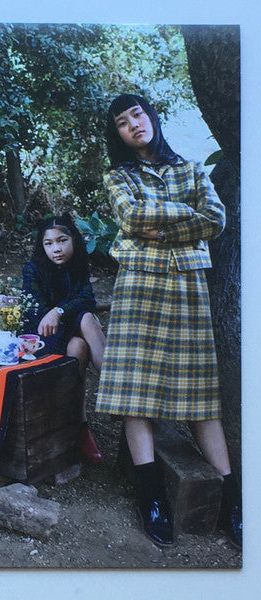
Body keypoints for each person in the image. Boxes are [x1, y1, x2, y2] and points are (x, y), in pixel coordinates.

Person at [96, 93, 242, 549]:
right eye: (122, 122)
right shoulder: (118, 176)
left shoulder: (193, 169)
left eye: (137, 114)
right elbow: (130, 215)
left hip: (187, 283)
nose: (133, 125)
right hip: (138, 283)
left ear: (151, 117)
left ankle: (233, 502)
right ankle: (151, 497)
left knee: (201, 394)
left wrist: (159, 227)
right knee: (135, 392)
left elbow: (215, 220)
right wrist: (183, 214)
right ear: (118, 135)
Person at [22, 214, 107, 465]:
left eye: (62, 240)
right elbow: (38, 317)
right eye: (48, 243)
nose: (56, 249)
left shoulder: (79, 265)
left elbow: (87, 300)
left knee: (84, 328)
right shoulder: (33, 269)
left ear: (74, 240)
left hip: (71, 329)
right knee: (81, 335)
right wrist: (57, 314)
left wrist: (59, 311)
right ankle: (88, 416)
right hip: (42, 339)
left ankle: (77, 426)